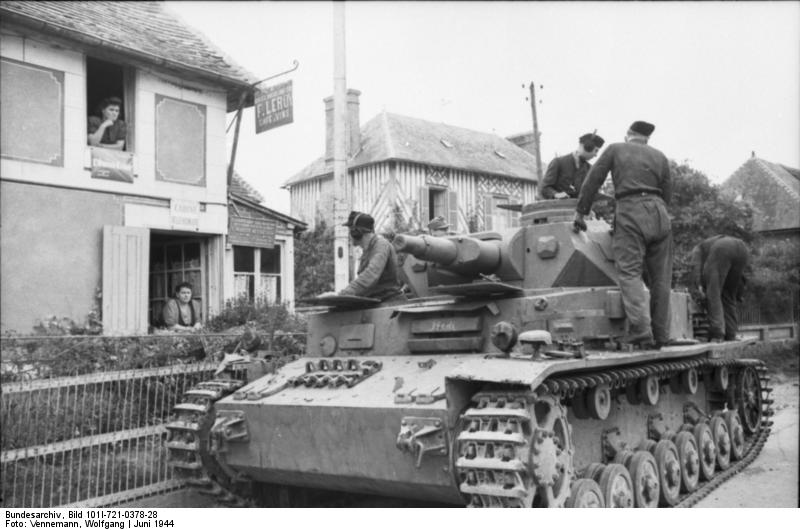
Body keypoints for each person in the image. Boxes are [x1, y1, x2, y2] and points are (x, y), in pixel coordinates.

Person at [573, 121, 672, 347]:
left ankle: (641, 332)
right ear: (647, 139)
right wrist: (656, 212)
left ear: (628, 135)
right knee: (661, 279)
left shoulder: (616, 149)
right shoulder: (660, 156)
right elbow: (667, 193)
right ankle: (661, 335)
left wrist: (581, 212)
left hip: (630, 210)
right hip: (659, 212)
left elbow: (593, 180)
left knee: (629, 272)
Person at [337, 211, 406, 303]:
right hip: (379, 302)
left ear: (356, 232)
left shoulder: (381, 245)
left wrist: (343, 295)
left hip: (391, 303)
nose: (349, 235)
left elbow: (370, 275)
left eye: (350, 231)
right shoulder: (367, 251)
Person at [689, 235, 749, 342]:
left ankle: (717, 333)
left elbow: (695, 269)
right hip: (743, 248)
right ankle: (731, 333)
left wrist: (697, 289)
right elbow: (741, 280)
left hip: (723, 248)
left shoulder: (698, 249)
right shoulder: (709, 246)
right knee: (727, 295)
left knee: (713, 294)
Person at [540, 132, 605, 199]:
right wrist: (556, 194)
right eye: (596, 151)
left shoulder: (590, 169)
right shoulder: (558, 162)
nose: (595, 155)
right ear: (588, 147)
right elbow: (545, 188)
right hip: (559, 206)